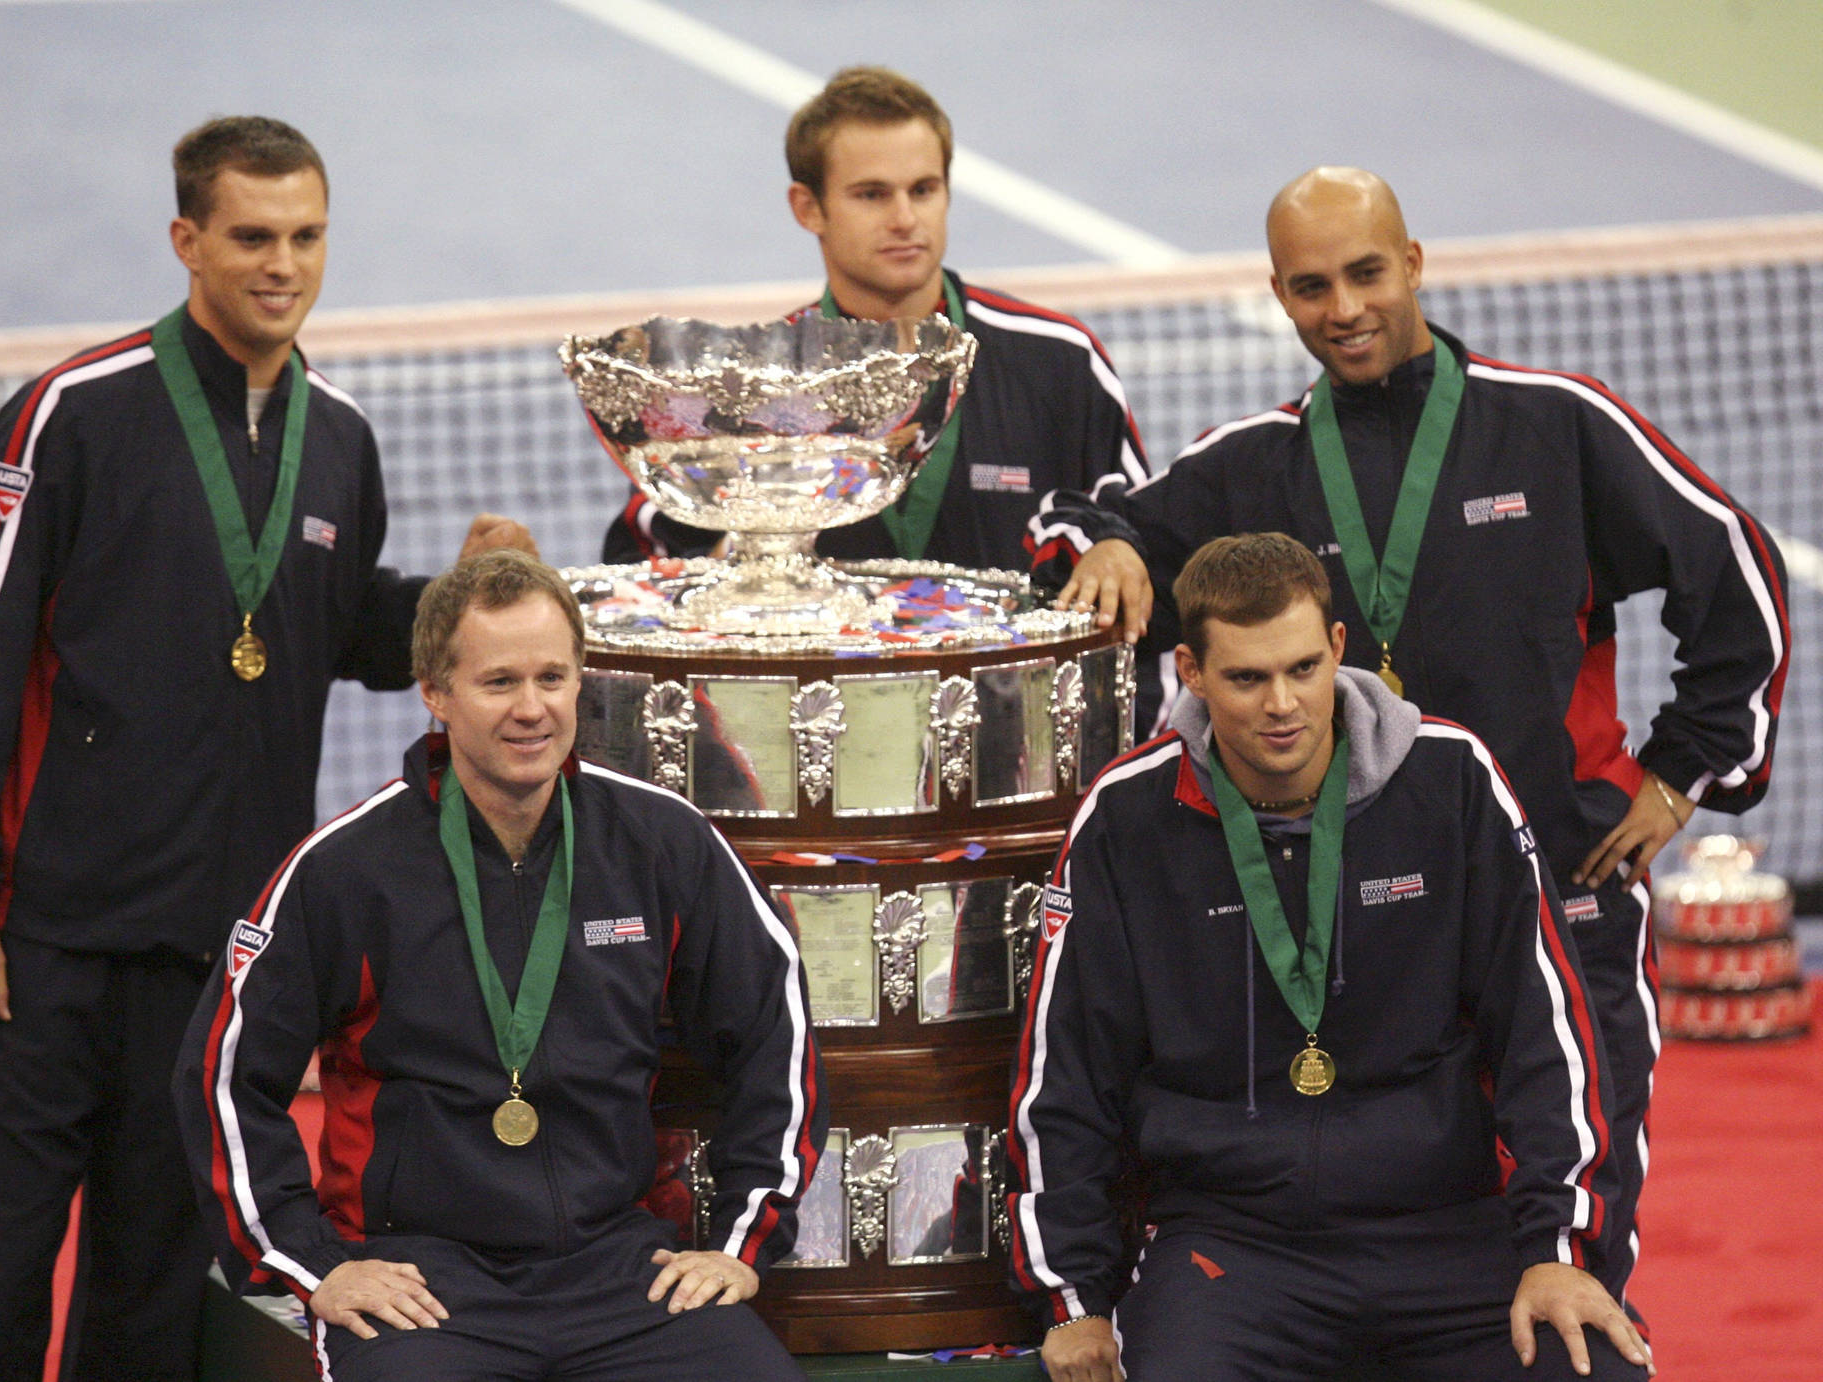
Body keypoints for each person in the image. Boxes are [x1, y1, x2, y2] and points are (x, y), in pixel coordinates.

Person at [1034, 167, 1790, 1302]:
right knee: (1398, 1219)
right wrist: (1112, 546)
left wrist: (1682, 776)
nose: (1343, 306)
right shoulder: (1258, 463)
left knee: (1582, 1211)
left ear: (1417, 262)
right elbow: (1093, 524)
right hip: (1361, 909)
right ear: (1280, 297)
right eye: (1311, 285)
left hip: (1561, 879)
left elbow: (1738, 576)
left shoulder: (1555, 427)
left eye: (1367, 272)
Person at [0, 116, 533, 1380]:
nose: (281, 264)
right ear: (187, 238)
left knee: (148, 1295)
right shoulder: (72, 414)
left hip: (211, 953)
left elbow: (330, 621)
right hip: (43, 944)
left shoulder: (338, 438)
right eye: (251, 235)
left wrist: (453, 602)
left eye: (305, 236)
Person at [1007, 533, 1654, 1382]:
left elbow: (1551, 1034)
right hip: (1229, 1248)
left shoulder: (1451, 780)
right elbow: (1066, 1078)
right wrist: (1076, 1300)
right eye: (1246, 678)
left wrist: (1561, 1250)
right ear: (1191, 673)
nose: (1283, 704)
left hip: (1449, 1231)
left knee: (1595, 1371)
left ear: (1339, 650)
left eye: (1304, 668)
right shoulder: (1125, 822)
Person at [175, 550, 824, 1380]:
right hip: (424, 1283)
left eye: (552, 678)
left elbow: (779, 1032)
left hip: (619, 1270)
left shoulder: (662, 842)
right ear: (435, 693)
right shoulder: (346, 869)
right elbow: (222, 1075)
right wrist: (314, 1263)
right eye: (498, 683)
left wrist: (740, 1243)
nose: (532, 710)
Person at [602, 64, 1147, 572]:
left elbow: (1141, 532)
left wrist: (1117, 544)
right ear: (807, 208)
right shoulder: (746, 390)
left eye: (924, 190)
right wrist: (739, 554)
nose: (906, 219)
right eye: (872, 195)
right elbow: (642, 564)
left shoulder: (1059, 361)